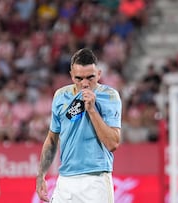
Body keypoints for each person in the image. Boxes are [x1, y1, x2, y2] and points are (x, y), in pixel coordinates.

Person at [36, 48, 122, 203]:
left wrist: (92, 110)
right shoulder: (61, 96)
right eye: (79, 78)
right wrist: (41, 175)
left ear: (99, 74)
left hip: (96, 181)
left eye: (90, 77)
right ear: (71, 75)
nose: (85, 83)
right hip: (65, 181)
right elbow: (52, 139)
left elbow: (113, 143)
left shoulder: (110, 96)